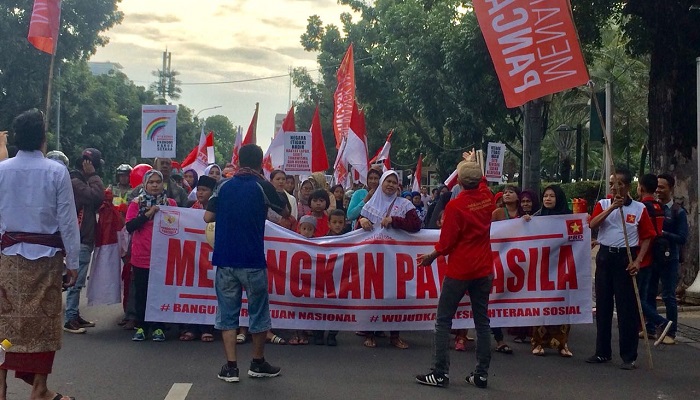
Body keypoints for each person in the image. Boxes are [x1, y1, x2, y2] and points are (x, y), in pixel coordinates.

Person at [0, 109, 81, 400]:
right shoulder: (57, 171)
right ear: (43, 139)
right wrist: (73, 263)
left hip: (8, 260)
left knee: (5, 324)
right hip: (47, 260)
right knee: (44, 325)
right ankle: (39, 388)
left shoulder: (1, 170)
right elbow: (68, 222)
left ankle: (1, 389)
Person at [204, 144, 287, 382]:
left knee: (227, 314)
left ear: (239, 161)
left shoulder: (222, 185)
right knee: (258, 312)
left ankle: (231, 368)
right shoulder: (263, 186)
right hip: (252, 260)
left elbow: (207, 216)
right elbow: (284, 212)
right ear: (261, 163)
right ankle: (257, 363)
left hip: (225, 259)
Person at [415, 150, 495, 390]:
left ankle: (440, 373)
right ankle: (481, 374)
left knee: (443, 320)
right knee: (482, 322)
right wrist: (472, 163)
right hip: (483, 268)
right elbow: (482, 181)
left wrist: (431, 256)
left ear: (459, 181)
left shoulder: (456, 206)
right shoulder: (487, 196)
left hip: (460, 269)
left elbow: (447, 243)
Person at [586, 167, 656, 370]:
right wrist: (611, 209)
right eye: (610, 183)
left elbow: (647, 236)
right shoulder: (603, 204)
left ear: (626, 186)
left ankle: (628, 356)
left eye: (617, 184)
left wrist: (638, 260)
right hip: (605, 257)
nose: (613, 187)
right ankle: (602, 352)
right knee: (603, 306)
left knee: (627, 309)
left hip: (626, 258)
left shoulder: (639, 209)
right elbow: (593, 225)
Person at [358, 170, 422, 349]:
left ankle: (395, 335)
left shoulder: (404, 204)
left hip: (396, 258)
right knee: (374, 294)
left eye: (394, 182)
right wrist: (362, 220)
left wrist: (394, 220)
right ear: (381, 183)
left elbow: (416, 225)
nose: (391, 185)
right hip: (374, 257)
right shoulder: (371, 203)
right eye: (388, 181)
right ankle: (370, 334)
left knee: (395, 295)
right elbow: (358, 229)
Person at [126, 170, 177, 342]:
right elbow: (130, 226)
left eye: (158, 182)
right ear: (144, 184)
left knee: (160, 293)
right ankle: (142, 326)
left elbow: (178, 225)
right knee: (142, 293)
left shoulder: (170, 203)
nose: (155, 185)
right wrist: (148, 214)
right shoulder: (136, 203)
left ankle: (158, 327)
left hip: (163, 257)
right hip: (142, 256)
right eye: (151, 182)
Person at [527, 185, 574, 357]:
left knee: (562, 305)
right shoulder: (537, 217)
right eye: (545, 196)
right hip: (543, 267)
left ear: (559, 198)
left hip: (562, 267)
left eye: (552, 196)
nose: (547, 199)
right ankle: (538, 343)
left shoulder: (570, 218)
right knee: (541, 304)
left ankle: (562, 344)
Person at [63, 148, 105, 334]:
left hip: (83, 238)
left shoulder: (81, 182)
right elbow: (97, 196)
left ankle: (74, 314)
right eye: (94, 165)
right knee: (76, 281)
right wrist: (93, 176)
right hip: (78, 239)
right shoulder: (75, 182)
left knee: (78, 280)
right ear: (88, 165)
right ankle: (70, 318)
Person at [649, 173, 688, 345]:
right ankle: (650, 328)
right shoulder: (651, 208)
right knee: (649, 293)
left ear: (671, 189)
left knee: (668, 296)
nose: (658, 190)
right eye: (657, 187)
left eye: (662, 187)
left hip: (669, 259)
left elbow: (682, 238)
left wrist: (663, 234)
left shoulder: (678, 212)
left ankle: (670, 332)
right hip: (652, 257)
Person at [635, 174, 674, 345]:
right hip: (653, 256)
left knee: (636, 296)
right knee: (645, 294)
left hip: (641, 256)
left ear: (641, 188)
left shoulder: (642, 208)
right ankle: (647, 327)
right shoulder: (659, 207)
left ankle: (660, 321)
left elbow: (641, 233)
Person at [179, 175, 217, 342]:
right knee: (193, 288)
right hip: (193, 254)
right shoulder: (191, 208)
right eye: (199, 189)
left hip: (211, 255)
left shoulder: (218, 209)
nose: (200, 193)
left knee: (208, 289)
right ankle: (191, 327)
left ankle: (207, 327)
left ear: (212, 192)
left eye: (204, 190)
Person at [490, 185, 522, 354]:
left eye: (511, 192)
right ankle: (499, 339)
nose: (507, 194)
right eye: (505, 192)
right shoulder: (497, 213)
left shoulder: (525, 215)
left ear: (518, 197)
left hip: (520, 262)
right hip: (499, 260)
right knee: (496, 297)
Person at [312, 209, 345, 346]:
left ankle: (332, 334)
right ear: (329, 224)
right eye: (334, 222)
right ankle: (318, 332)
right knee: (321, 305)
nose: (337, 225)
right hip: (324, 278)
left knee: (337, 306)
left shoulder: (349, 241)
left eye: (340, 222)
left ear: (344, 224)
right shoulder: (322, 240)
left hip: (339, 279)